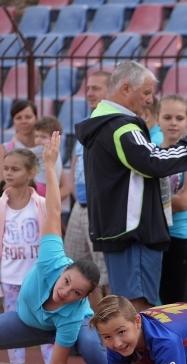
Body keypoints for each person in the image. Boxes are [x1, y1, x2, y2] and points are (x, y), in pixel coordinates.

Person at [0, 131, 110, 364]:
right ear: (63, 271)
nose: (65, 291)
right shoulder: (52, 256)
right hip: (27, 320)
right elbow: (53, 209)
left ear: (83, 298)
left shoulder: (72, 312)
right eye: (66, 283)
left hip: (69, 326)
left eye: (76, 292)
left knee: (92, 348)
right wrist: (51, 165)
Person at [74, 60, 187, 315]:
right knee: (139, 310)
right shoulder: (121, 126)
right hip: (135, 232)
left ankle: (126, 355)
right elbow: (153, 162)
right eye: (147, 93)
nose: (150, 100)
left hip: (119, 229)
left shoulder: (103, 123)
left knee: (126, 309)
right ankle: (142, 357)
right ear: (126, 89)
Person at [0, 147, 61, 364]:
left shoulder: (41, 205)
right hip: (10, 282)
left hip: (38, 282)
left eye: (15, 169)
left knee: (49, 330)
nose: (8, 173)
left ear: (31, 173)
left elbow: (53, 240)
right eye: (6, 168)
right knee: (13, 331)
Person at [64, 71, 111, 305]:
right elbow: (75, 162)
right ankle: (90, 325)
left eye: (96, 88)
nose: (90, 93)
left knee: (104, 276)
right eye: (88, 88)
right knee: (75, 270)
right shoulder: (87, 123)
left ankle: (110, 324)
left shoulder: (111, 123)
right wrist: (75, 193)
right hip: (79, 207)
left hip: (100, 208)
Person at [156, 94, 187, 305]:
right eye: (167, 117)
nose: (173, 123)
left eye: (179, 118)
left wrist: (150, 200)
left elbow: (185, 202)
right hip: (152, 235)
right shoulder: (151, 149)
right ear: (157, 119)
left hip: (177, 235)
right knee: (150, 299)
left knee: (172, 301)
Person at [0, 100, 38, 196]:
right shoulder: (3, 149)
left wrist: (45, 200)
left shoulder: (46, 149)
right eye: (18, 118)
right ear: (13, 121)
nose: (24, 121)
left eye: (28, 117)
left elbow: (64, 188)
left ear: (36, 118)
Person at [31, 116, 64, 198]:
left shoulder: (43, 148)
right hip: (51, 187)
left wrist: (15, 143)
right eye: (36, 136)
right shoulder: (55, 150)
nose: (38, 139)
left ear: (54, 138)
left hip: (42, 186)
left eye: (43, 137)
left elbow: (25, 153)